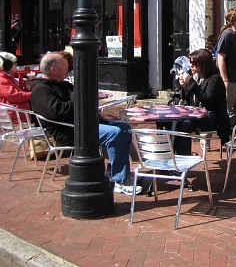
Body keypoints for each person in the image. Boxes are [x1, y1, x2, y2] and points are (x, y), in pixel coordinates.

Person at [30, 53, 141, 195]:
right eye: (64, 66)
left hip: (85, 124)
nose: (68, 69)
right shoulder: (41, 90)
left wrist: (90, 104)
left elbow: (81, 98)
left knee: (124, 127)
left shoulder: (64, 84)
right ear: (53, 69)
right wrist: (82, 100)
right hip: (70, 131)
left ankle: (115, 171)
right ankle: (120, 180)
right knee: (114, 134)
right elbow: (56, 111)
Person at [177, 48, 231, 152]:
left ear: (203, 64)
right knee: (176, 122)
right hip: (197, 114)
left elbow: (206, 100)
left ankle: (183, 154)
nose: (191, 66)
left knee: (185, 123)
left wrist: (191, 83)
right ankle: (175, 152)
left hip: (213, 117)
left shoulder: (214, 79)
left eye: (194, 63)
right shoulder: (196, 77)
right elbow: (188, 101)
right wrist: (184, 87)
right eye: (190, 63)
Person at [0, 51, 31, 124]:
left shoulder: (9, 77)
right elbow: (15, 96)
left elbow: (20, 93)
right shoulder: (2, 79)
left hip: (19, 115)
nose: (16, 64)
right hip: (15, 118)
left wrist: (27, 87)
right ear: (7, 65)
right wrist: (34, 94)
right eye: (14, 63)